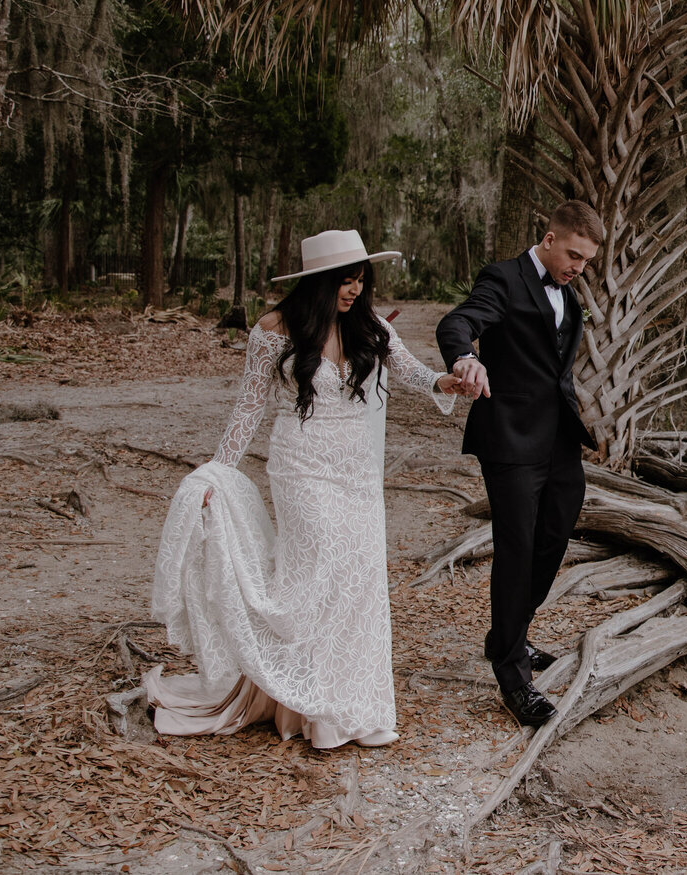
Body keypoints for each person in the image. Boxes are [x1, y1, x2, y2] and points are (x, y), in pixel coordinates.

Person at [145, 229, 464, 749]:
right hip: (302, 468)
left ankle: (349, 704)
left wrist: (443, 382)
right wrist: (217, 474)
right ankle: (310, 709)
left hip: (357, 473)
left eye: (360, 279)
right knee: (315, 573)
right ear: (318, 282)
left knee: (356, 581)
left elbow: (411, 372)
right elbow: (250, 405)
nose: (355, 290)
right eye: (345, 280)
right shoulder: (274, 330)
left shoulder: (371, 326)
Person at [436, 200, 602, 726]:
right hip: (509, 438)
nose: (578, 267)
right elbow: (460, 320)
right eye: (573, 254)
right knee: (517, 549)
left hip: (556, 438)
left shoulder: (566, 290)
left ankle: (507, 635)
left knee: (554, 536)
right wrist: (465, 356)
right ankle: (512, 674)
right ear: (549, 238)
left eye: (586, 261)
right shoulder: (503, 279)